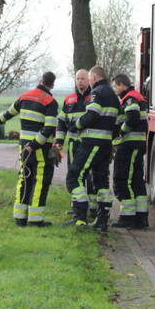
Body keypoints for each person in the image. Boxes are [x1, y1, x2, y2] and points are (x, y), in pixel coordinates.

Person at [0, 72, 59, 227]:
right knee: (40, 181)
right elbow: (49, 127)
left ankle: (20, 218)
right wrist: (35, 144)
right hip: (40, 149)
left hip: (23, 147)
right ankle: (36, 220)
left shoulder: (24, 96)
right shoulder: (50, 101)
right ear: (52, 84)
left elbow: (7, 114)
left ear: (40, 80)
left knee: (25, 178)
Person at [66, 66, 119, 231]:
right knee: (101, 180)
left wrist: (77, 125)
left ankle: (80, 217)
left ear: (94, 77)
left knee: (74, 176)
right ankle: (102, 220)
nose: (88, 82)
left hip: (92, 143)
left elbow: (92, 114)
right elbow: (118, 122)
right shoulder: (114, 96)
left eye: (89, 78)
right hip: (105, 145)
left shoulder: (97, 93)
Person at [55, 69, 97, 217]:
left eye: (83, 78)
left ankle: (93, 207)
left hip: (90, 143)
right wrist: (59, 142)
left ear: (89, 80)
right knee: (73, 173)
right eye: (78, 79)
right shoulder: (69, 99)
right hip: (73, 144)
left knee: (90, 175)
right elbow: (61, 122)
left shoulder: (94, 98)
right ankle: (76, 206)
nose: (80, 81)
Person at [111, 74, 149, 229]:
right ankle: (140, 217)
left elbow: (132, 117)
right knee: (136, 181)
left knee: (124, 179)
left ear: (121, 85)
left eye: (115, 86)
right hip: (136, 144)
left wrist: (121, 131)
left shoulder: (130, 98)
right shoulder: (135, 96)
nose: (115, 90)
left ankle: (128, 217)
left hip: (130, 145)